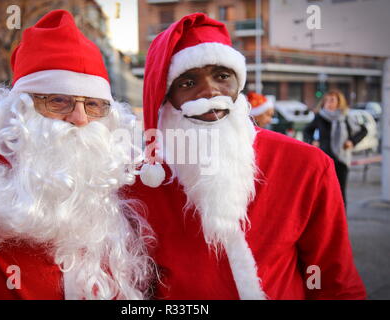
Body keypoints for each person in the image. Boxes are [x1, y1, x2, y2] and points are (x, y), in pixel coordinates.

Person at [125, 13, 366, 300]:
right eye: (188, 83)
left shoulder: (306, 165)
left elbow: (332, 278)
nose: (211, 91)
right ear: (166, 99)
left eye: (222, 76)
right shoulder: (139, 183)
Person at [0, 10, 152, 300]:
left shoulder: (109, 183)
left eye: (93, 105)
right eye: (58, 101)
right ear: (21, 109)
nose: (79, 118)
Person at [303, 89, 367, 206]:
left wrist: (351, 141)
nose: (328, 103)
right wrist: (312, 141)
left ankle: (341, 221)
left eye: (332, 100)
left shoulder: (346, 117)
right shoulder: (320, 117)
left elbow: (363, 130)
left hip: (341, 160)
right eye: (326, 100)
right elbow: (307, 131)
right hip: (323, 160)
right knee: (323, 192)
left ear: (339, 102)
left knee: (340, 192)